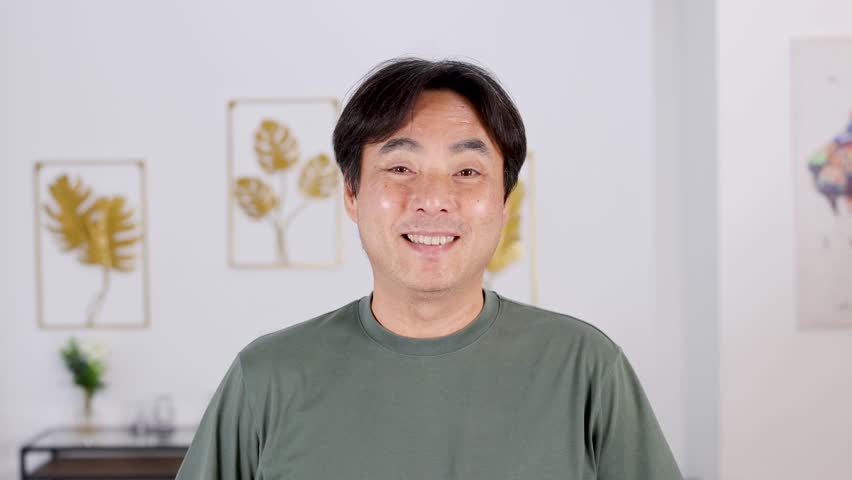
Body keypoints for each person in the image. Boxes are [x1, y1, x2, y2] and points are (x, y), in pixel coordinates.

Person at [176, 58, 683, 480]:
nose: (434, 200)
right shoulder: (266, 376)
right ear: (351, 194)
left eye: (467, 172)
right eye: (400, 168)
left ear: (504, 201)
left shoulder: (585, 368)